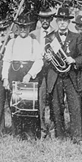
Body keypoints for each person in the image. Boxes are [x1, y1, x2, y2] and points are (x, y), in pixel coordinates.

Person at [43, 6, 82, 142]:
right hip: (55, 75)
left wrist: (73, 60)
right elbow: (45, 58)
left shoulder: (77, 37)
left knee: (75, 106)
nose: (62, 23)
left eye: (65, 20)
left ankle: (77, 137)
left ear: (69, 22)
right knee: (56, 107)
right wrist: (47, 59)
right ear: (56, 22)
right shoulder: (50, 38)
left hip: (71, 76)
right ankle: (60, 136)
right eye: (60, 20)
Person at [2, 14, 43, 139]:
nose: (23, 30)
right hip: (14, 73)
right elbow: (6, 61)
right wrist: (5, 78)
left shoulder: (34, 43)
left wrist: (30, 74)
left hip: (28, 74)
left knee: (29, 104)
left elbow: (39, 60)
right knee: (15, 104)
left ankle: (30, 132)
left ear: (29, 28)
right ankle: (17, 132)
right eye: (21, 27)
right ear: (17, 28)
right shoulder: (12, 42)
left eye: (26, 27)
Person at [31, 7, 56, 138]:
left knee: (52, 99)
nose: (45, 21)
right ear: (39, 20)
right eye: (42, 18)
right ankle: (41, 130)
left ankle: (52, 129)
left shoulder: (55, 33)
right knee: (39, 100)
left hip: (52, 69)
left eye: (47, 18)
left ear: (51, 19)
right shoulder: (33, 34)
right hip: (39, 71)